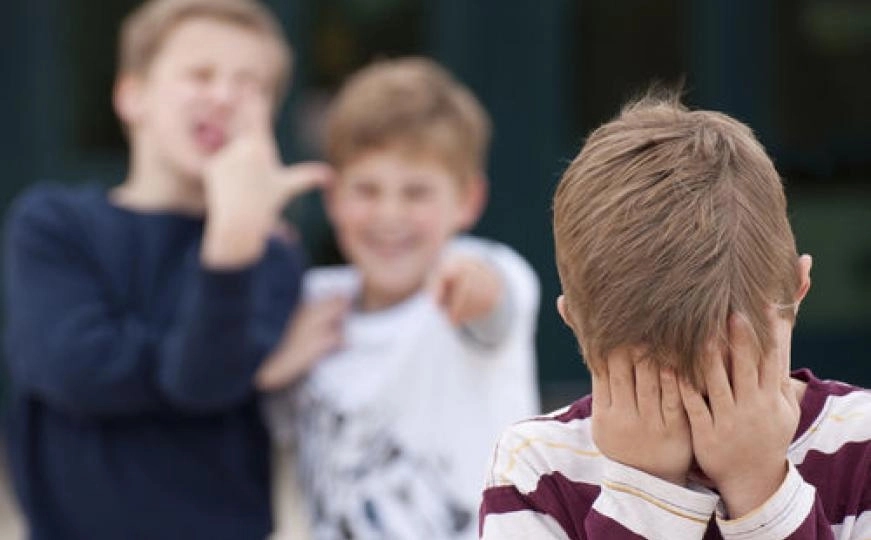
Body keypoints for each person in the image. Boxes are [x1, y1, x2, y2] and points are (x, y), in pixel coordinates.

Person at [2, 1, 332, 538]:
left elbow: (201, 381)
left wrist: (231, 238)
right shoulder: (53, 225)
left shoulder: (268, 253)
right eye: (200, 74)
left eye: (250, 84)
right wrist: (247, 371)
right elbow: (75, 370)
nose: (224, 96)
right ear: (132, 95)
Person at [478, 94, 871, 539]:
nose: (709, 424)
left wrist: (761, 489)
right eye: (663, 383)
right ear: (576, 323)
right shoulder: (537, 467)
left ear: (797, 292)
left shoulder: (862, 446)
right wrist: (647, 493)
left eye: (731, 373)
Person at [257, 57, 540, 540]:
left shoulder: (483, 265)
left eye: (416, 193)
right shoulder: (312, 302)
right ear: (333, 198)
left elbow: (494, 301)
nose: (390, 215)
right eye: (367, 189)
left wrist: (472, 285)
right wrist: (273, 366)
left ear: (468, 200)